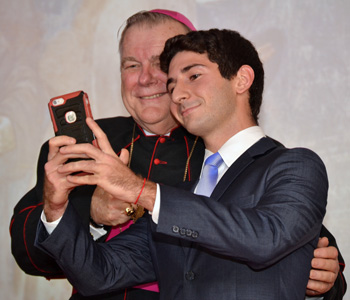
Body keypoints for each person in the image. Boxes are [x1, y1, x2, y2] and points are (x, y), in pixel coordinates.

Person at [10, 9, 346, 300]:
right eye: (131, 64)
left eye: (172, 68)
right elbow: (92, 270)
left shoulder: (277, 162)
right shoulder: (91, 146)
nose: (148, 80)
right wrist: (68, 209)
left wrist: (326, 275)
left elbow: (284, 236)